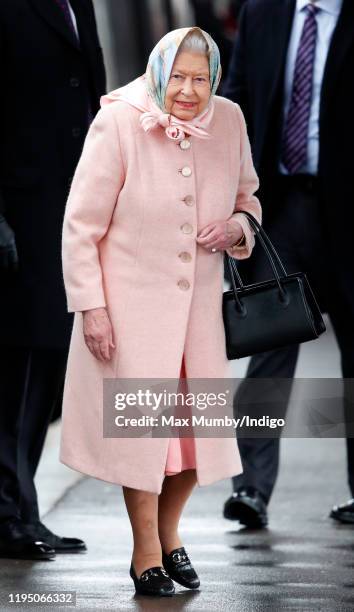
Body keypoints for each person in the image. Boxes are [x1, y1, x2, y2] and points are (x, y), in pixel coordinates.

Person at [60, 26, 262, 596]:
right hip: (130, 314)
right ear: (159, 71)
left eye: (202, 78)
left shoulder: (230, 120)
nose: (191, 91)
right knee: (143, 438)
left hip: (197, 316)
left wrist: (238, 228)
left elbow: (250, 200)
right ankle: (146, 550)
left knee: (198, 443)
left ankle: (170, 535)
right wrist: (91, 309)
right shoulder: (120, 120)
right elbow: (81, 227)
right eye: (179, 76)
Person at [222, 0, 354, 528]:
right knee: (267, 349)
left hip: (348, 208)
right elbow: (238, 100)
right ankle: (251, 488)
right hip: (280, 208)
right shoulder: (264, 12)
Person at [0, 0, 106, 560]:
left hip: (66, 212)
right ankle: (5, 514)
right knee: (12, 369)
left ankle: (22, 508)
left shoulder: (77, 4)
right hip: (19, 213)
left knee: (44, 366)